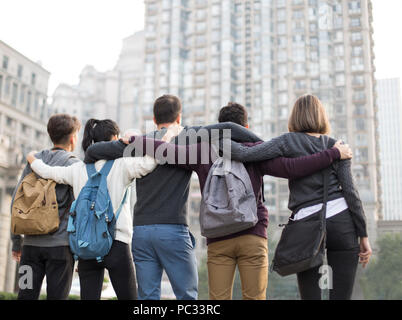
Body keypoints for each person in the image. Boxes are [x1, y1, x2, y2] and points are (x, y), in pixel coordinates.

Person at [125, 102, 352, 300]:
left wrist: (134, 141)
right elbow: (292, 168)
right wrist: (332, 153)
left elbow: (166, 151)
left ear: (218, 127)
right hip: (252, 234)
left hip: (218, 237)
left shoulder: (204, 150)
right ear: (246, 127)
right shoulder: (256, 150)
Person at [83, 95, 263, 300]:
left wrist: (118, 146)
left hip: (141, 232)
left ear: (153, 118)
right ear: (179, 117)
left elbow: (93, 151)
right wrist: (265, 146)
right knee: (187, 296)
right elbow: (231, 127)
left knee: (148, 298)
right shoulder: (189, 135)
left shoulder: (140, 143)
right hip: (173, 230)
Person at [226, 94, 373, 300]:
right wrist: (363, 235)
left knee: (310, 296)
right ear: (322, 116)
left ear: (294, 117)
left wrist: (215, 141)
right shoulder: (337, 146)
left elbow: (245, 154)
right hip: (343, 222)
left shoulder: (287, 142)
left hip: (306, 224)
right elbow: (350, 192)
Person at [25, 119, 175, 300]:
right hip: (117, 244)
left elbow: (49, 172)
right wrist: (165, 139)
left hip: (86, 246)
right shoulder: (123, 165)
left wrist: (32, 159)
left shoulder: (77, 169)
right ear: (114, 139)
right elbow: (151, 162)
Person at [11, 114, 81, 300]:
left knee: (25, 295)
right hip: (61, 249)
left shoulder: (33, 162)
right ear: (73, 138)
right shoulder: (74, 164)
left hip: (30, 249)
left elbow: (16, 200)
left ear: (51, 134)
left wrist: (17, 242)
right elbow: (80, 210)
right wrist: (81, 252)